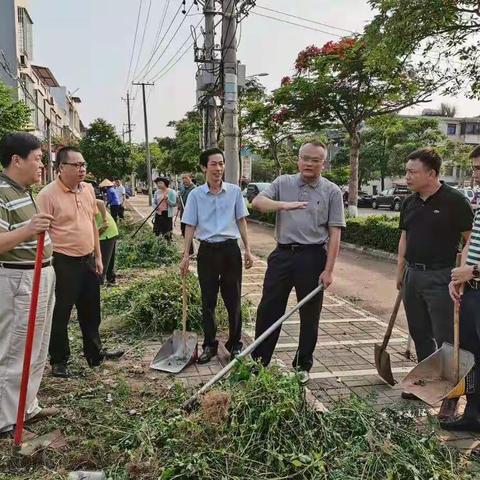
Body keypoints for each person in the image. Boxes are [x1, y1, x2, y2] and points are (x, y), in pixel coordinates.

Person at [250, 141, 345, 384]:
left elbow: (335, 233)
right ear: (298, 160)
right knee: (269, 308)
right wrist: (283, 205)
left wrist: (329, 270)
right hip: (282, 255)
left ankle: (303, 364)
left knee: (310, 314)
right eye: (305, 158)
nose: (309, 163)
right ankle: (259, 361)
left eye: (315, 160)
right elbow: (258, 203)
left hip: (313, 258)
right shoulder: (283, 183)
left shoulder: (332, 191)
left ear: (324, 163)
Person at [37, 147, 123, 378]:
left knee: (91, 309)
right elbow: (41, 234)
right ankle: (59, 359)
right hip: (62, 262)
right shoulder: (47, 195)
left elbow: (92, 224)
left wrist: (97, 256)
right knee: (60, 312)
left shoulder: (87, 189)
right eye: (76, 165)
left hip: (87, 261)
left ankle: (94, 353)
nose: (82, 169)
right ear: (61, 167)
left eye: (83, 164)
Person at [397, 148, 472, 412]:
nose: (407, 176)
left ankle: (451, 397)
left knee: (447, 339)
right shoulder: (409, 202)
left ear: (431, 174)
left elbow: (469, 240)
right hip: (412, 275)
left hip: (441, 277)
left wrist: (462, 274)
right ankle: (425, 384)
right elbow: (404, 239)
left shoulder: (455, 200)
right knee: (419, 332)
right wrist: (400, 273)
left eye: (412, 172)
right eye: (406, 171)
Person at [0, 132, 57, 433]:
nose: (41, 166)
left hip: (41, 273)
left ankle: (27, 404)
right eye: (37, 159)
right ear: (16, 160)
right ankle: (7, 418)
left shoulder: (23, 189)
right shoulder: (1, 191)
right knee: (14, 349)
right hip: (18, 278)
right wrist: (29, 230)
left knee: (37, 345)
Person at [180, 148, 254, 363]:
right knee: (208, 301)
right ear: (204, 167)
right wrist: (186, 255)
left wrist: (247, 249)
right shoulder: (195, 195)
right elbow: (190, 225)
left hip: (230, 251)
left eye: (221, 163)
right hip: (207, 252)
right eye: (213, 164)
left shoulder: (234, 192)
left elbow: (241, 220)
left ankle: (235, 345)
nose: (219, 168)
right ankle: (210, 345)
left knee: (233, 301)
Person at [443, 146, 480, 432]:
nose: (476, 175)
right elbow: (471, 243)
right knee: (472, 357)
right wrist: (460, 278)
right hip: (473, 291)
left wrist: (473, 271)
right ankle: (473, 416)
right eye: (475, 169)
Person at [95, 199, 118, 286]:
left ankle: (98, 285)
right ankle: (111, 279)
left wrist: (105, 220)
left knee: (102, 259)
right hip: (109, 230)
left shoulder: (83, 198)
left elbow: (100, 202)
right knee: (109, 257)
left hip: (106, 231)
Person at [153, 177, 177, 241]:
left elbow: (174, 204)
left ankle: (168, 245)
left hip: (167, 214)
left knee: (167, 232)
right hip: (158, 214)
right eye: (157, 183)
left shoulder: (171, 192)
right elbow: (154, 202)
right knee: (157, 231)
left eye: (160, 183)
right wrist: (155, 207)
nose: (158, 185)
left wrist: (167, 200)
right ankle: (158, 245)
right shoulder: (157, 192)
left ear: (165, 183)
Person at [178, 173, 196, 255]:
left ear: (190, 178)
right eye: (183, 179)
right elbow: (180, 199)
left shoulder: (194, 189)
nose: (184, 180)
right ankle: (187, 250)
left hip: (191, 214)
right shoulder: (182, 189)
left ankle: (190, 251)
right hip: (183, 214)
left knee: (190, 232)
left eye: (186, 178)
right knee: (184, 232)